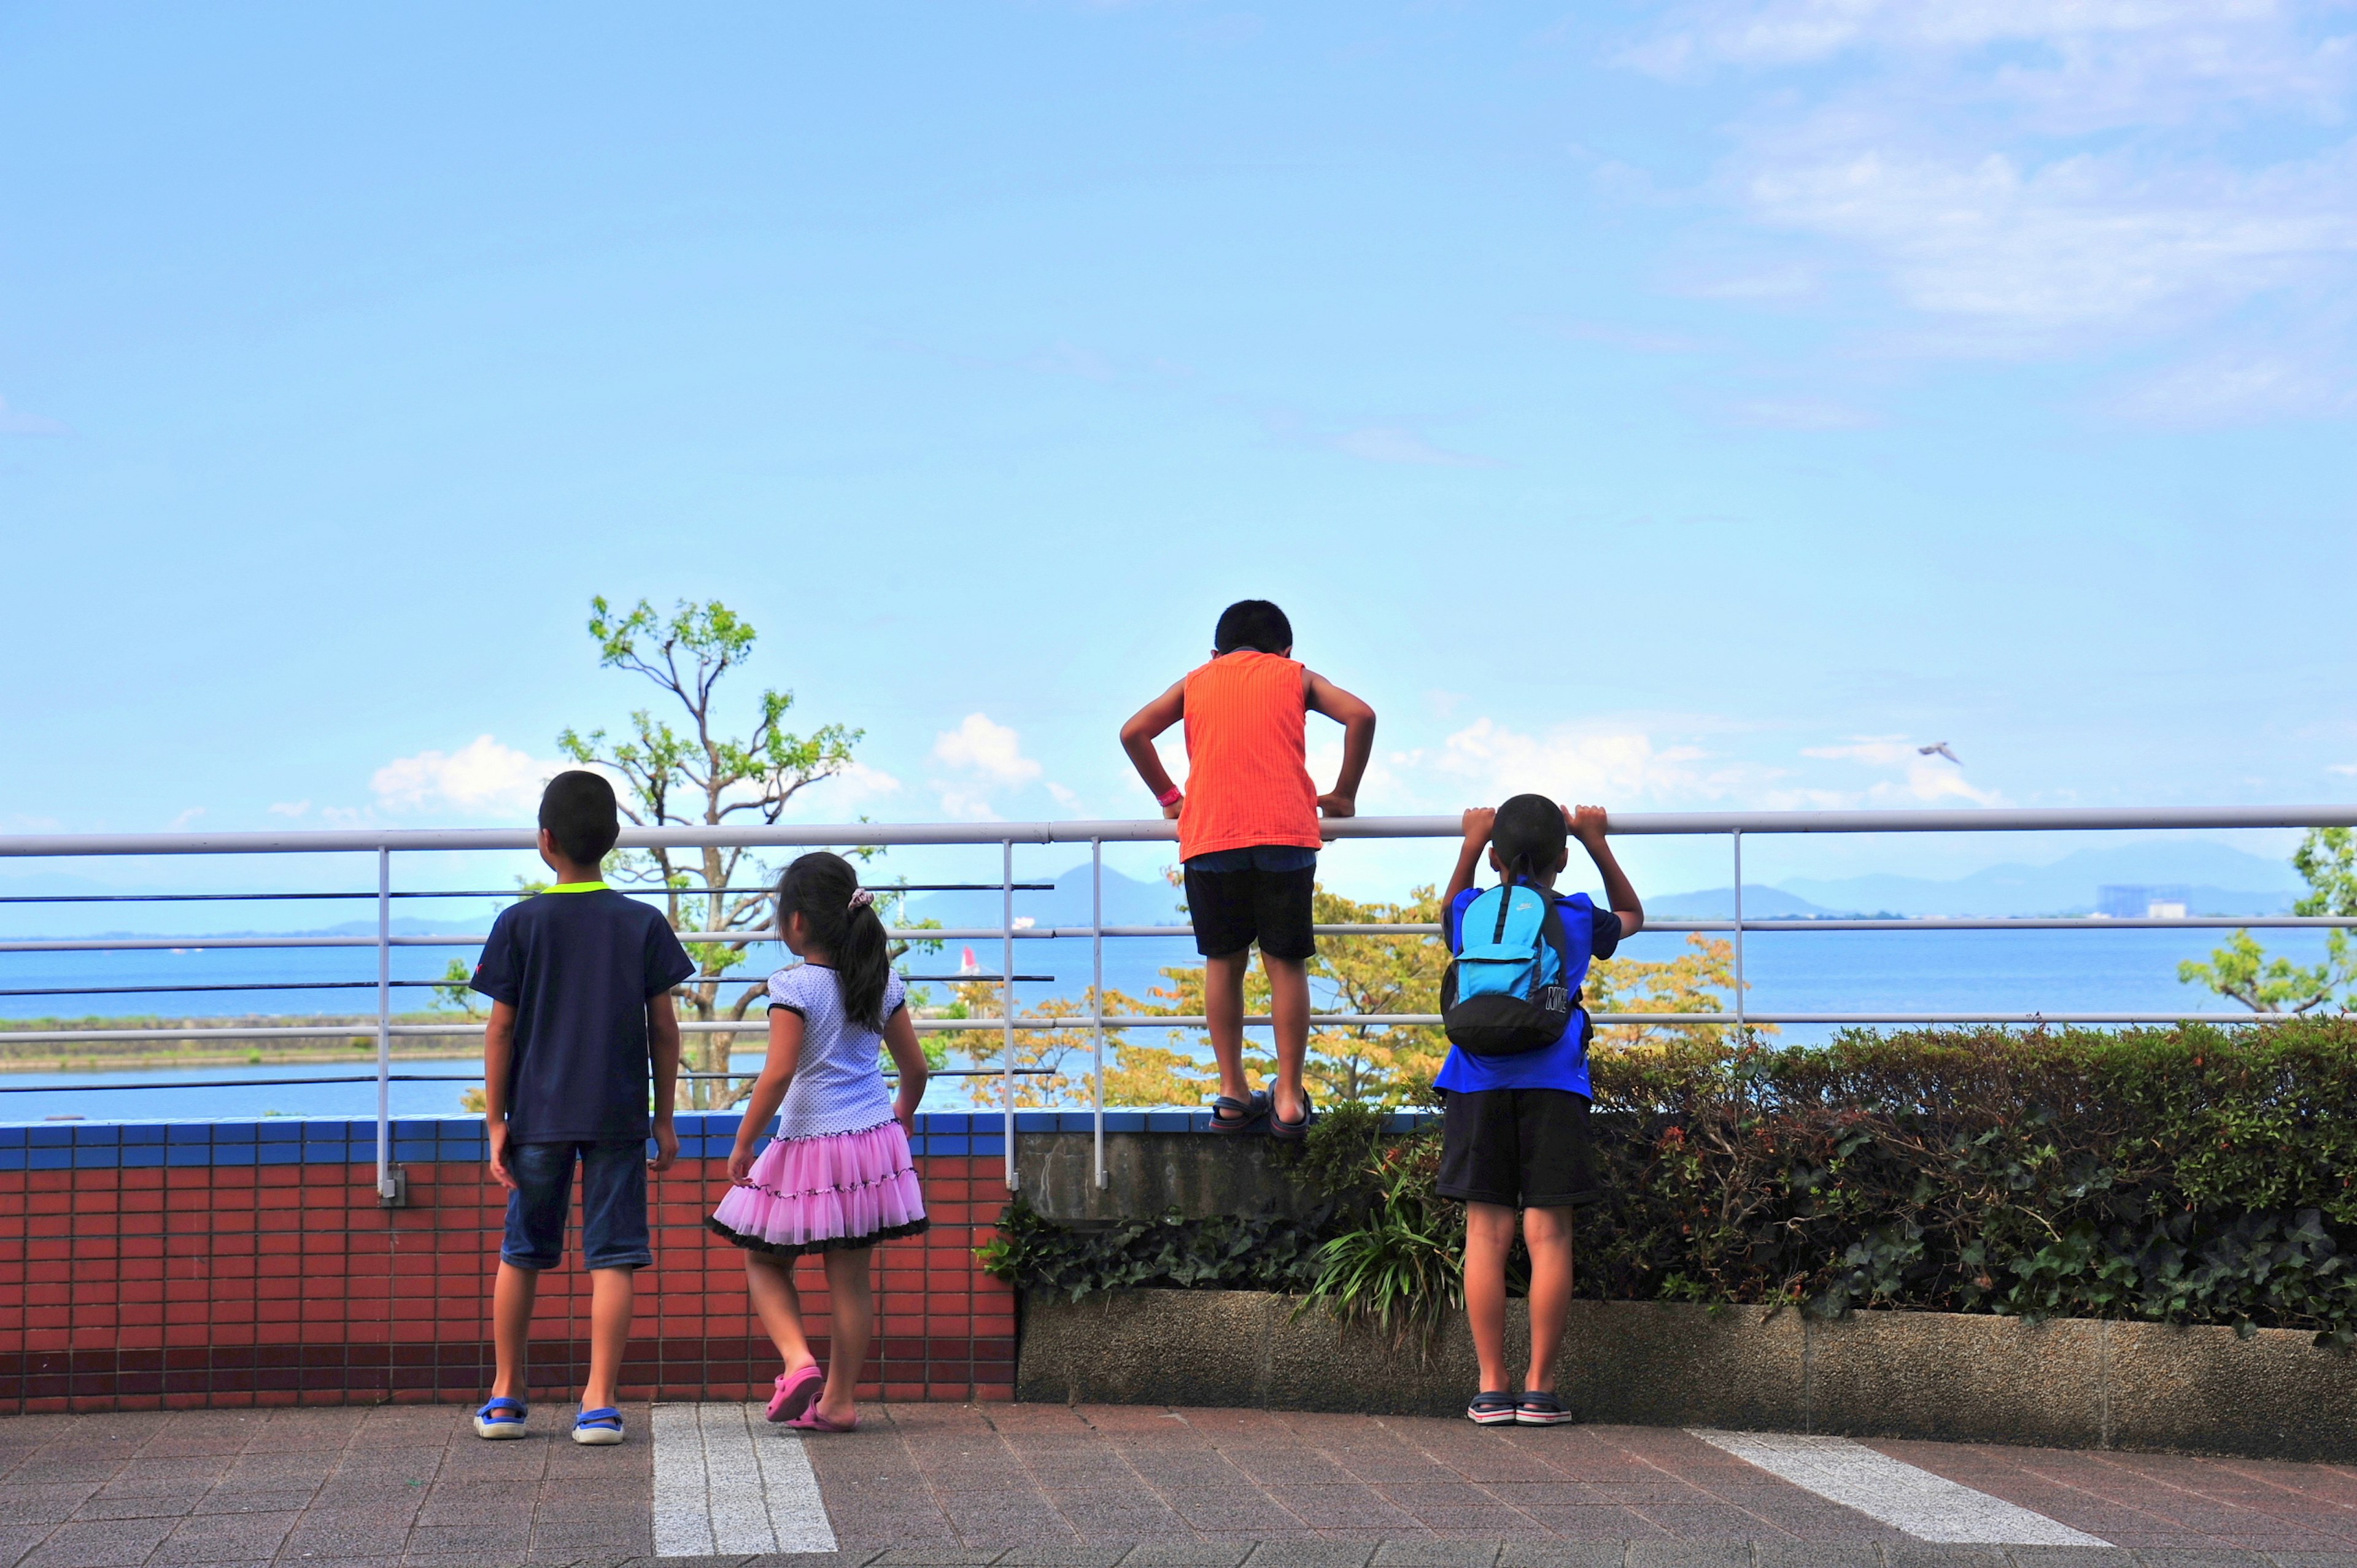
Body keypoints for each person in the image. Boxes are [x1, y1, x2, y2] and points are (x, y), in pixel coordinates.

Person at [470, 770, 694, 1445]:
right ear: (614, 840)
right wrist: (663, 1116)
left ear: (546, 841)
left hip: (536, 1115)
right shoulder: (642, 923)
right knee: (614, 1256)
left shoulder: (519, 923)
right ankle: (599, 1401)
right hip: (619, 1116)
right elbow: (665, 1028)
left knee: (522, 1250)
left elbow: (501, 1029)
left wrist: (495, 1120)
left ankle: (506, 1395)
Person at [1118, 598, 1376, 1140]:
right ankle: (1287, 1096)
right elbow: (1362, 715)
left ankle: (1233, 1092)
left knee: (1224, 961)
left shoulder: (1197, 681)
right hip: (1286, 831)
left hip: (1211, 834)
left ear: (1216, 652)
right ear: (1286, 651)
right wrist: (1345, 794)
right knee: (1285, 964)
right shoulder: (1294, 676)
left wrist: (1171, 797)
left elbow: (1133, 732)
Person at [707, 851, 931, 1433]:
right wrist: (900, 1119)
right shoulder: (882, 981)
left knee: (763, 1258)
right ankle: (838, 1401)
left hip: (809, 1141)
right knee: (851, 1279)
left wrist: (744, 1141)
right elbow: (916, 1069)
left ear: (797, 922)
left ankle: (797, 1359)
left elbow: (778, 1073)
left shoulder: (793, 985)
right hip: (872, 1145)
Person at [1437, 795, 1643, 1426]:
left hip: (1475, 1081)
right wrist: (1599, 840)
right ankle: (1540, 1389)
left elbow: (1447, 912)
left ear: (1494, 855)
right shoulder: (1577, 914)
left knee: (1485, 1235)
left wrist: (1469, 843)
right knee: (1548, 1233)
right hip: (1555, 1082)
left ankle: (1491, 1387)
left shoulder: (1472, 911)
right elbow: (1632, 915)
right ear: (1563, 858)